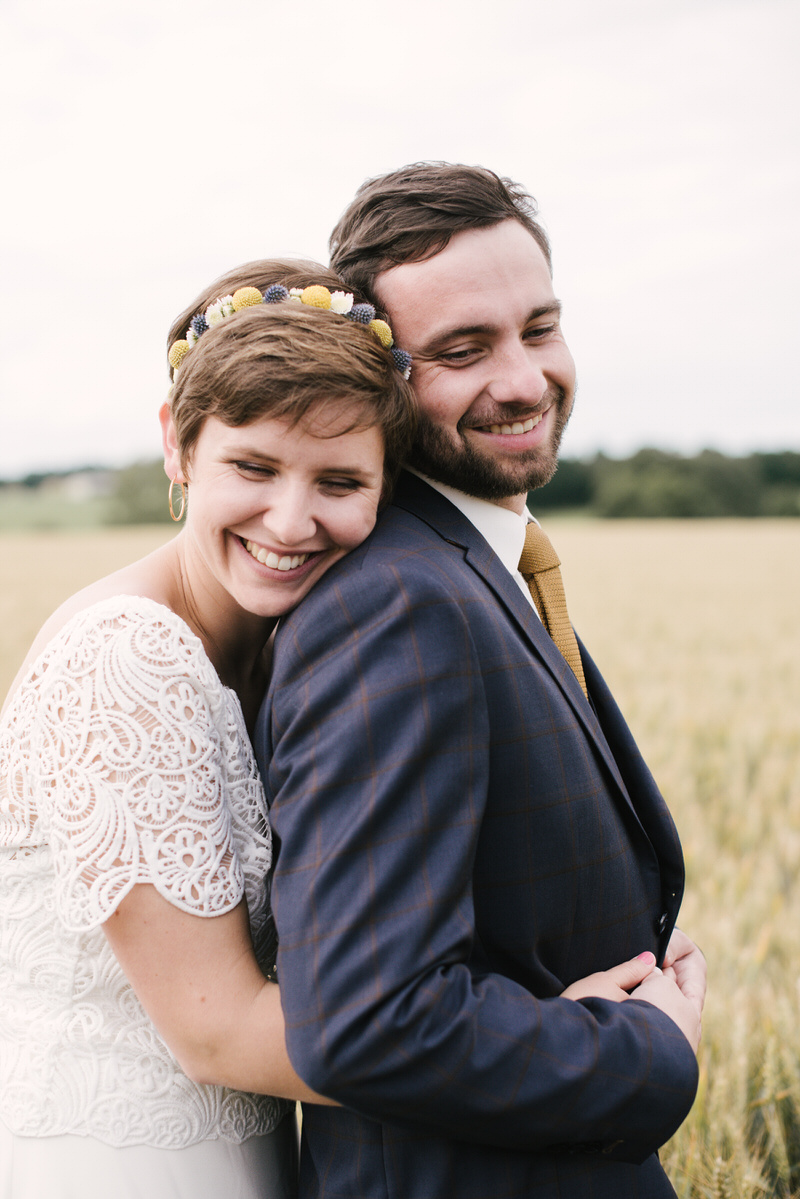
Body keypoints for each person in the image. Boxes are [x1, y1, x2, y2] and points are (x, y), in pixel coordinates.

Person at [255, 165, 707, 1198]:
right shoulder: (395, 604)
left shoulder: (474, 562)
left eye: (537, 328)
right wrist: (642, 1049)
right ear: (380, 376)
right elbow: (364, 1023)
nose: (521, 378)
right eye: (462, 350)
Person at [0, 258, 416, 1199]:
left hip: (238, 1152)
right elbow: (218, 1031)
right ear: (178, 447)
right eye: (253, 466)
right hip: (118, 1164)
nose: (291, 519)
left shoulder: (271, 648)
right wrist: (556, 1045)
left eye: (341, 480)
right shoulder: (129, 655)